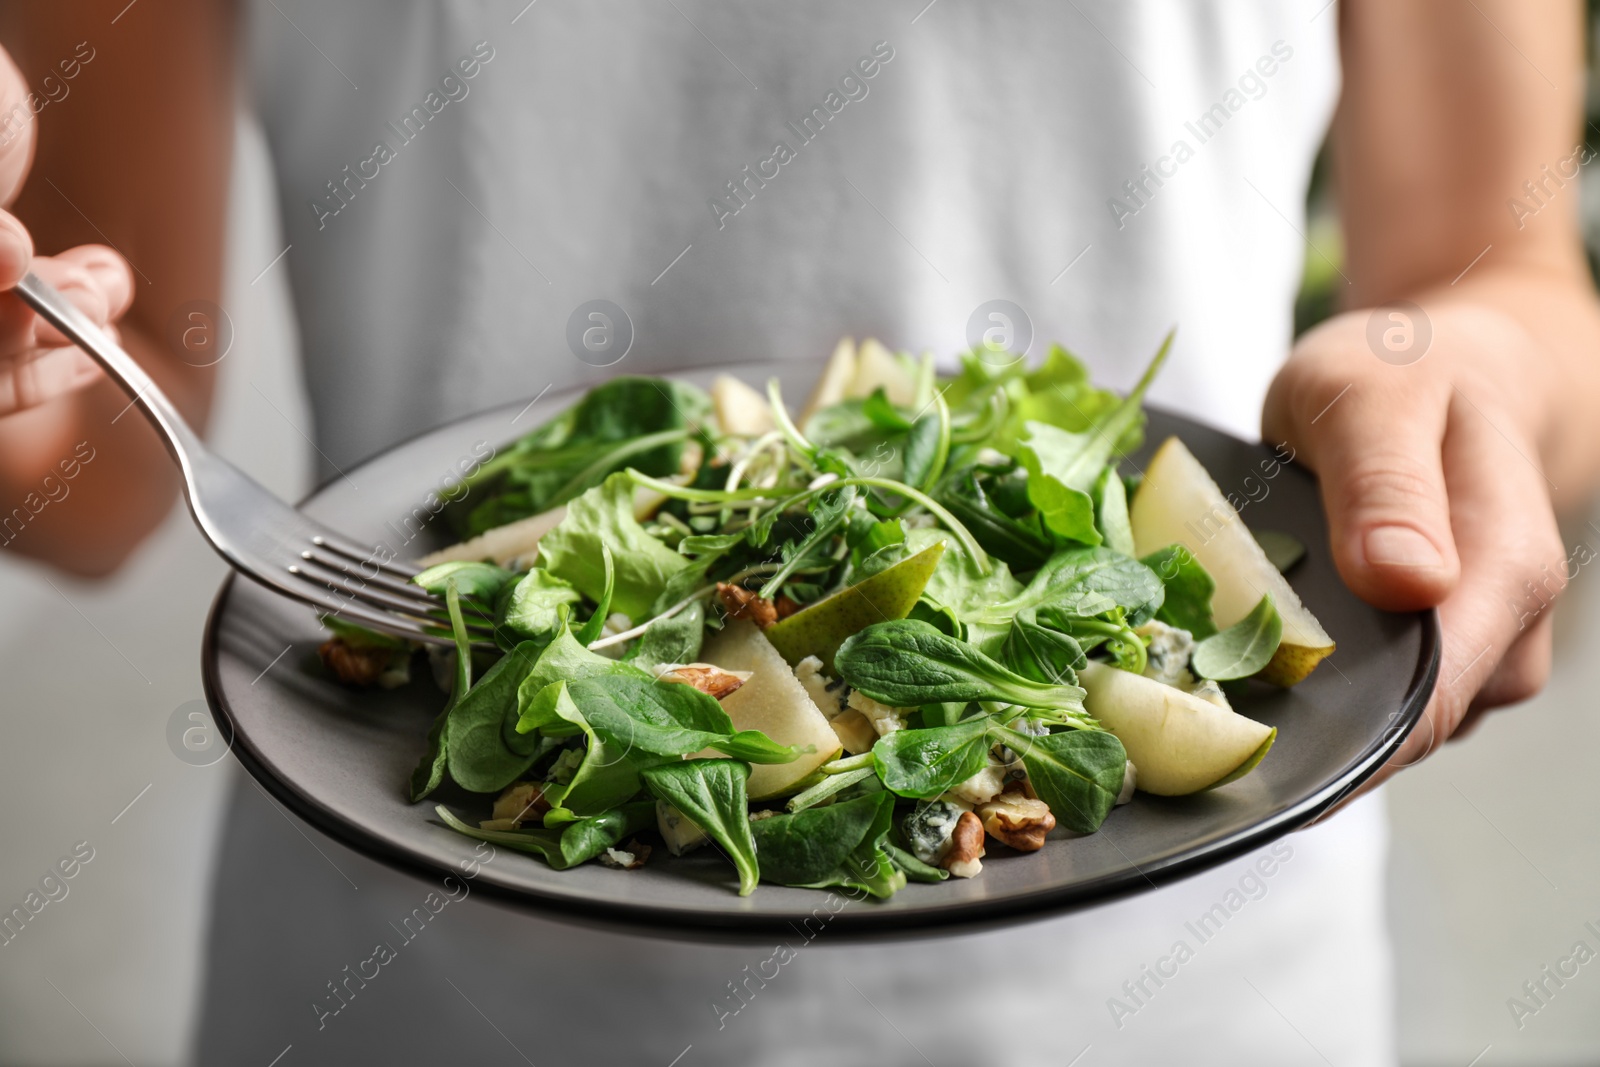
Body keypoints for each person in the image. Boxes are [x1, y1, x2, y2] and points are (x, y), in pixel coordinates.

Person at [1, 1, 1594, 1062]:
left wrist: (1482, 382)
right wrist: (24, 376)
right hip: (417, 952)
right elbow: (106, 456)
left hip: (1178, 975)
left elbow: (1499, 267)